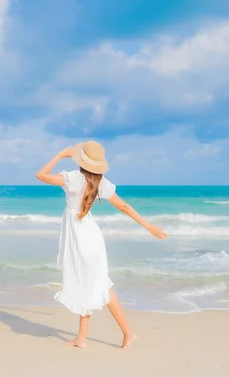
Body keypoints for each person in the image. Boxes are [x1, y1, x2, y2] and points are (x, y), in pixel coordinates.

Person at [35, 141, 168, 349]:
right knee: (87, 283)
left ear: (80, 160)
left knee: (101, 286)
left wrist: (60, 155)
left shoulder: (72, 178)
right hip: (89, 237)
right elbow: (123, 206)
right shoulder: (100, 182)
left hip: (81, 239)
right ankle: (82, 338)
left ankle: (128, 333)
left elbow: (41, 175)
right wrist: (148, 225)